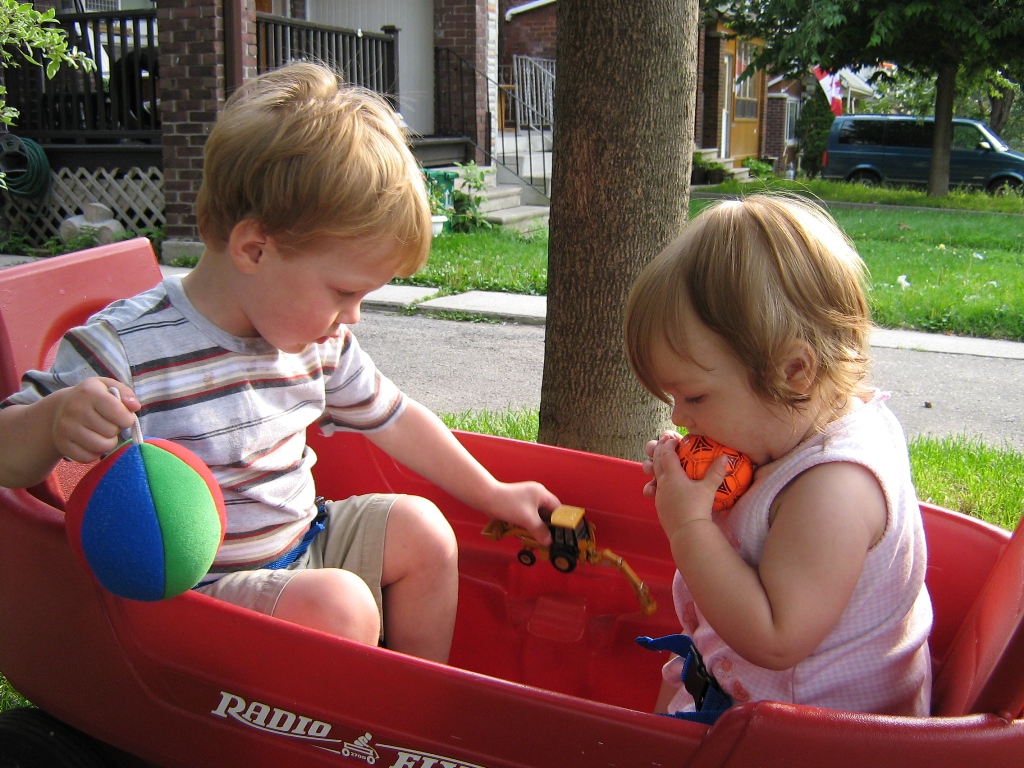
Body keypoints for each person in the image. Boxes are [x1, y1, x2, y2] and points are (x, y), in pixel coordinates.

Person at [0, 62, 559, 664]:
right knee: (341, 606)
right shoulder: (126, 347)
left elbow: (396, 418)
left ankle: (418, 700)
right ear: (254, 249)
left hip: (304, 542)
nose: (353, 317)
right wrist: (54, 420)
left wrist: (493, 492)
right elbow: (7, 457)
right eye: (343, 291)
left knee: (424, 531)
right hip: (203, 596)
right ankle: (357, 711)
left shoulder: (317, 342)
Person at [624, 194, 932, 719]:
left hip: (810, 735)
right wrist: (706, 494)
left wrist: (689, 527)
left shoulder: (834, 490)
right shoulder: (793, 427)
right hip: (753, 694)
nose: (679, 417)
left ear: (794, 373)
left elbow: (774, 638)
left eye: (694, 397)